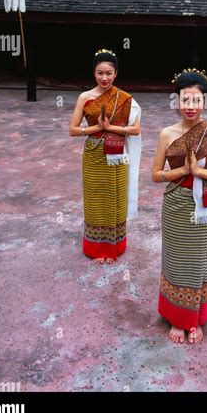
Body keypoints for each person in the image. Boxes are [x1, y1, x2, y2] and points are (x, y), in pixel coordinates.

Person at [152, 69, 207, 344]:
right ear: (176, 101)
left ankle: (194, 316)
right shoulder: (166, 134)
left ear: (205, 103)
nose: (191, 106)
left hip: (204, 208)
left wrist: (202, 174)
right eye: (185, 100)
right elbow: (156, 175)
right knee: (176, 261)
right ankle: (177, 318)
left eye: (196, 100)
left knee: (199, 262)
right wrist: (182, 172)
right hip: (176, 205)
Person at [69, 48, 141, 264]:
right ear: (94, 73)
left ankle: (114, 247)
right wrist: (95, 129)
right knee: (95, 200)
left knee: (115, 200)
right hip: (93, 155)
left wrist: (111, 128)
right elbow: (73, 129)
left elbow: (135, 129)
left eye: (109, 73)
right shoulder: (85, 97)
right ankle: (96, 247)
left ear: (116, 73)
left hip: (117, 156)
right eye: (100, 73)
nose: (104, 78)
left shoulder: (125, 98)